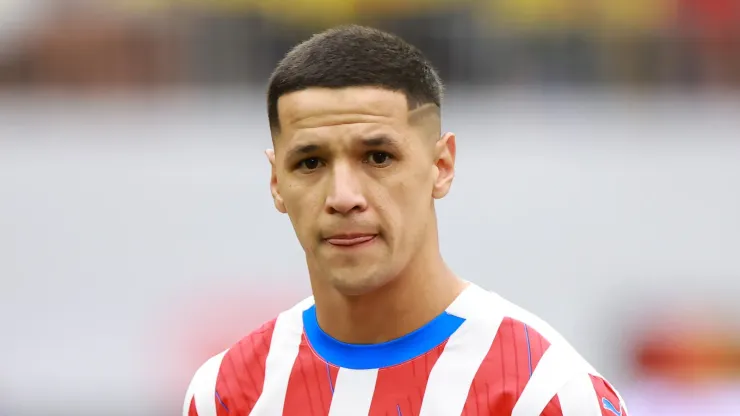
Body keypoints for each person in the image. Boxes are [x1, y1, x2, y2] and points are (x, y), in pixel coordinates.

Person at [183, 25, 628, 416]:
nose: (343, 197)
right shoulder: (226, 395)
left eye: (378, 157)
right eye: (311, 162)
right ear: (276, 181)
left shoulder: (546, 395)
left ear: (442, 166)